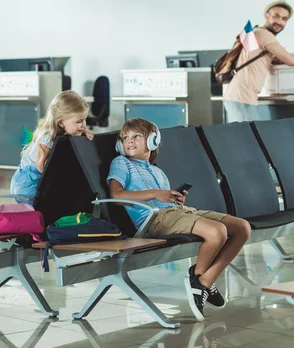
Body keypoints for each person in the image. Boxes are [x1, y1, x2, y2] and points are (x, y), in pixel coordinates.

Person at [107, 118, 251, 321]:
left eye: (136, 136)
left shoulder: (157, 170)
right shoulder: (121, 163)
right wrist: (156, 194)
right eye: (125, 138)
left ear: (152, 141)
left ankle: (204, 281)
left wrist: (175, 198)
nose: (129, 141)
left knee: (241, 228)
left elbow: (165, 201)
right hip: (155, 219)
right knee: (217, 232)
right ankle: (199, 281)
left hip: (178, 212)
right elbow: (116, 197)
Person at [10, 90, 94, 202]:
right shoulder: (48, 137)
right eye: (79, 121)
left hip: (38, 179)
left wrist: (82, 133)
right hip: (27, 182)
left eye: (85, 119)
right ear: (61, 123)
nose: (84, 124)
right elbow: (41, 166)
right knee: (47, 206)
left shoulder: (65, 131)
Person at [223, 0, 294, 123]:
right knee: (250, 138)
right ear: (266, 16)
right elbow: (291, 61)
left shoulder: (255, 31)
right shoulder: (264, 34)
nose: (280, 22)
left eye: (284, 19)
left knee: (246, 138)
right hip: (242, 98)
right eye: (276, 16)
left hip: (238, 96)